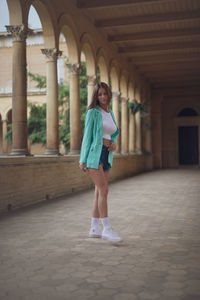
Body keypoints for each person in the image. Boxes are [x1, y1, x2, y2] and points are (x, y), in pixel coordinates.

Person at [79, 82, 122, 242]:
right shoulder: (92, 112)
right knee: (104, 190)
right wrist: (82, 159)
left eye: (105, 94)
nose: (103, 97)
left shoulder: (110, 112)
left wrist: (114, 143)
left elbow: (114, 132)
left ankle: (94, 228)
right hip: (94, 155)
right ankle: (107, 228)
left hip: (106, 154)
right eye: (99, 94)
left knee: (98, 191)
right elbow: (87, 137)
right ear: (96, 97)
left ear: (109, 94)